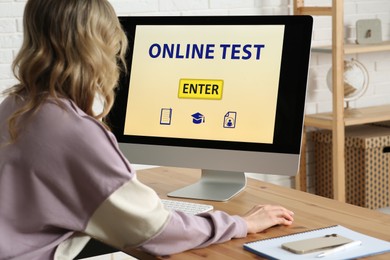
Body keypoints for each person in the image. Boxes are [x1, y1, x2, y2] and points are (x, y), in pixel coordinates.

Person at [0, 0, 295, 259]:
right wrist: (241, 223)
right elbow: (155, 231)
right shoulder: (73, 131)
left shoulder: (15, 106)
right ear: (97, 47)